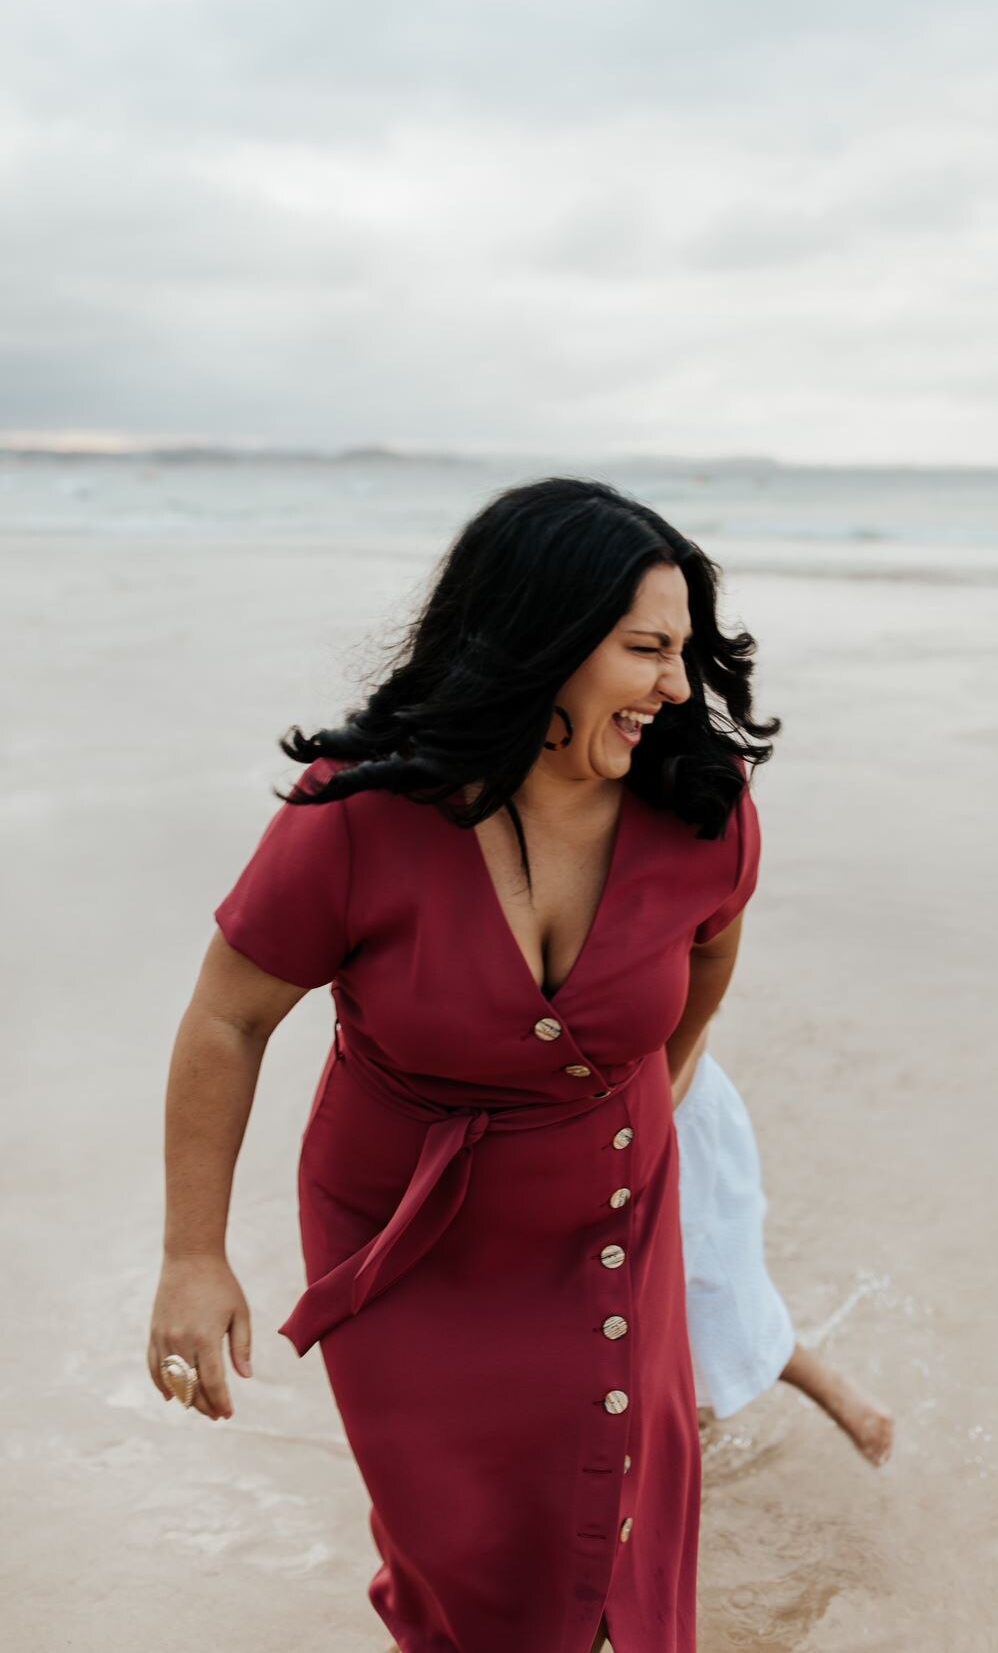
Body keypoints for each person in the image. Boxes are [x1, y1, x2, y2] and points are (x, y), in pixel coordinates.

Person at [146, 476, 780, 1653]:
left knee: (620, 1548)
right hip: (404, 1242)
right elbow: (227, 1018)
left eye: (684, 652)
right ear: (541, 636)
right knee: (468, 1571)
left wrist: (626, 1107)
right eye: (646, 649)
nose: (676, 687)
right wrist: (193, 1253)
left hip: (608, 1233)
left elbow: (703, 974)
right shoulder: (359, 812)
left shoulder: (702, 808)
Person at [673, 1035, 895, 1467]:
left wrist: (648, 1115)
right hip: (602, 1124)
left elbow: (696, 1023)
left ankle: (834, 1392)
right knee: (680, 1306)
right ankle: (692, 1424)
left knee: (710, 1298)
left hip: (666, 1119)